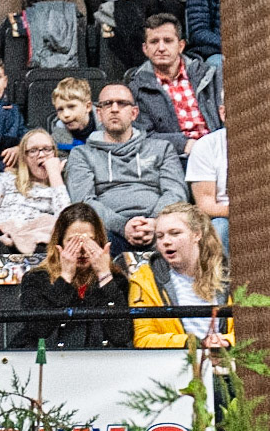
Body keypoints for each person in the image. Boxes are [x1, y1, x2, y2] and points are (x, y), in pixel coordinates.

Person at [63, 82, 187, 250]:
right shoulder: (82, 154)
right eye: (107, 104)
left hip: (159, 226)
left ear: (134, 113)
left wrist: (155, 222)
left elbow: (175, 192)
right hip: (107, 229)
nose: (114, 109)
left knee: (185, 235)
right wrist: (122, 226)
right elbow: (84, 201)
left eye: (122, 103)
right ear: (99, 113)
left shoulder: (162, 148)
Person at [13, 203, 131, 348]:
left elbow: (121, 336)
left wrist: (104, 276)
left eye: (89, 241)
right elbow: (39, 330)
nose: (81, 250)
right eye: (73, 241)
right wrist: (65, 278)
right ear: (59, 243)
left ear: (100, 242)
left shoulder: (115, 281)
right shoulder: (36, 278)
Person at [129, 202, 232, 348]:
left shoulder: (229, 274)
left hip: (229, 360)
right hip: (174, 363)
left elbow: (253, 329)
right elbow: (143, 339)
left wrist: (227, 341)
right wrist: (193, 343)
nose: (166, 241)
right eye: (160, 236)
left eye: (175, 233)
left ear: (197, 234)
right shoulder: (143, 279)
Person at [127, 16, 221, 159]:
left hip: (219, 151)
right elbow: (142, 136)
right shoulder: (136, 88)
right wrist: (182, 144)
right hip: (174, 158)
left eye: (168, 41)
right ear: (145, 49)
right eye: (154, 42)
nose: (161, 48)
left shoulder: (210, 75)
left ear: (181, 45)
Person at [0, 130, 71, 254]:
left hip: (41, 247)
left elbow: (67, 224)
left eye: (47, 149)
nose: (41, 155)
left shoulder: (59, 186)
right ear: (24, 158)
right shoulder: (7, 180)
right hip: (5, 243)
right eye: (33, 150)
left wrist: (55, 176)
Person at [185, 114, 229, 250]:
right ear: (222, 113)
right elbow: (205, 206)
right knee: (219, 228)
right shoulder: (206, 146)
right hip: (225, 217)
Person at [48, 78, 97, 153]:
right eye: (60, 109)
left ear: (87, 107)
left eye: (71, 107)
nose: (65, 115)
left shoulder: (108, 130)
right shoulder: (57, 139)